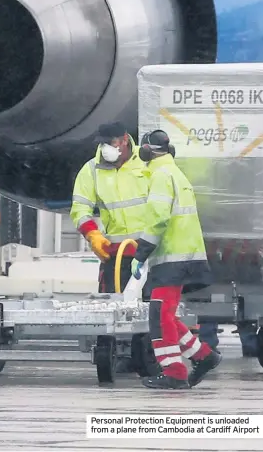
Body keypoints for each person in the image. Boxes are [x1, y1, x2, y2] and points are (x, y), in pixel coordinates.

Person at [131, 129, 222, 389]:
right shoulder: (175, 173)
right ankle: (204, 356)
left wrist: (141, 252)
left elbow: (158, 218)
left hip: (172, 258)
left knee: (159, 317)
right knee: (167, 316)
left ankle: (175, 372)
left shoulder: (160, 175)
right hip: (183, 256)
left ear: (147, 150)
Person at [71, 121, 151, 373]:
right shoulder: (92, 169)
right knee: (113, 307)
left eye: (111, 142)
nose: (106, 148)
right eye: (103, 143)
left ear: (125, 139)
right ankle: (117, 354)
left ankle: (147, 357)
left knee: (149, 307)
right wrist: (93, 235)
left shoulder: (147, 163)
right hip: (115, 253)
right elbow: (80, 208)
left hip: (150, 250)